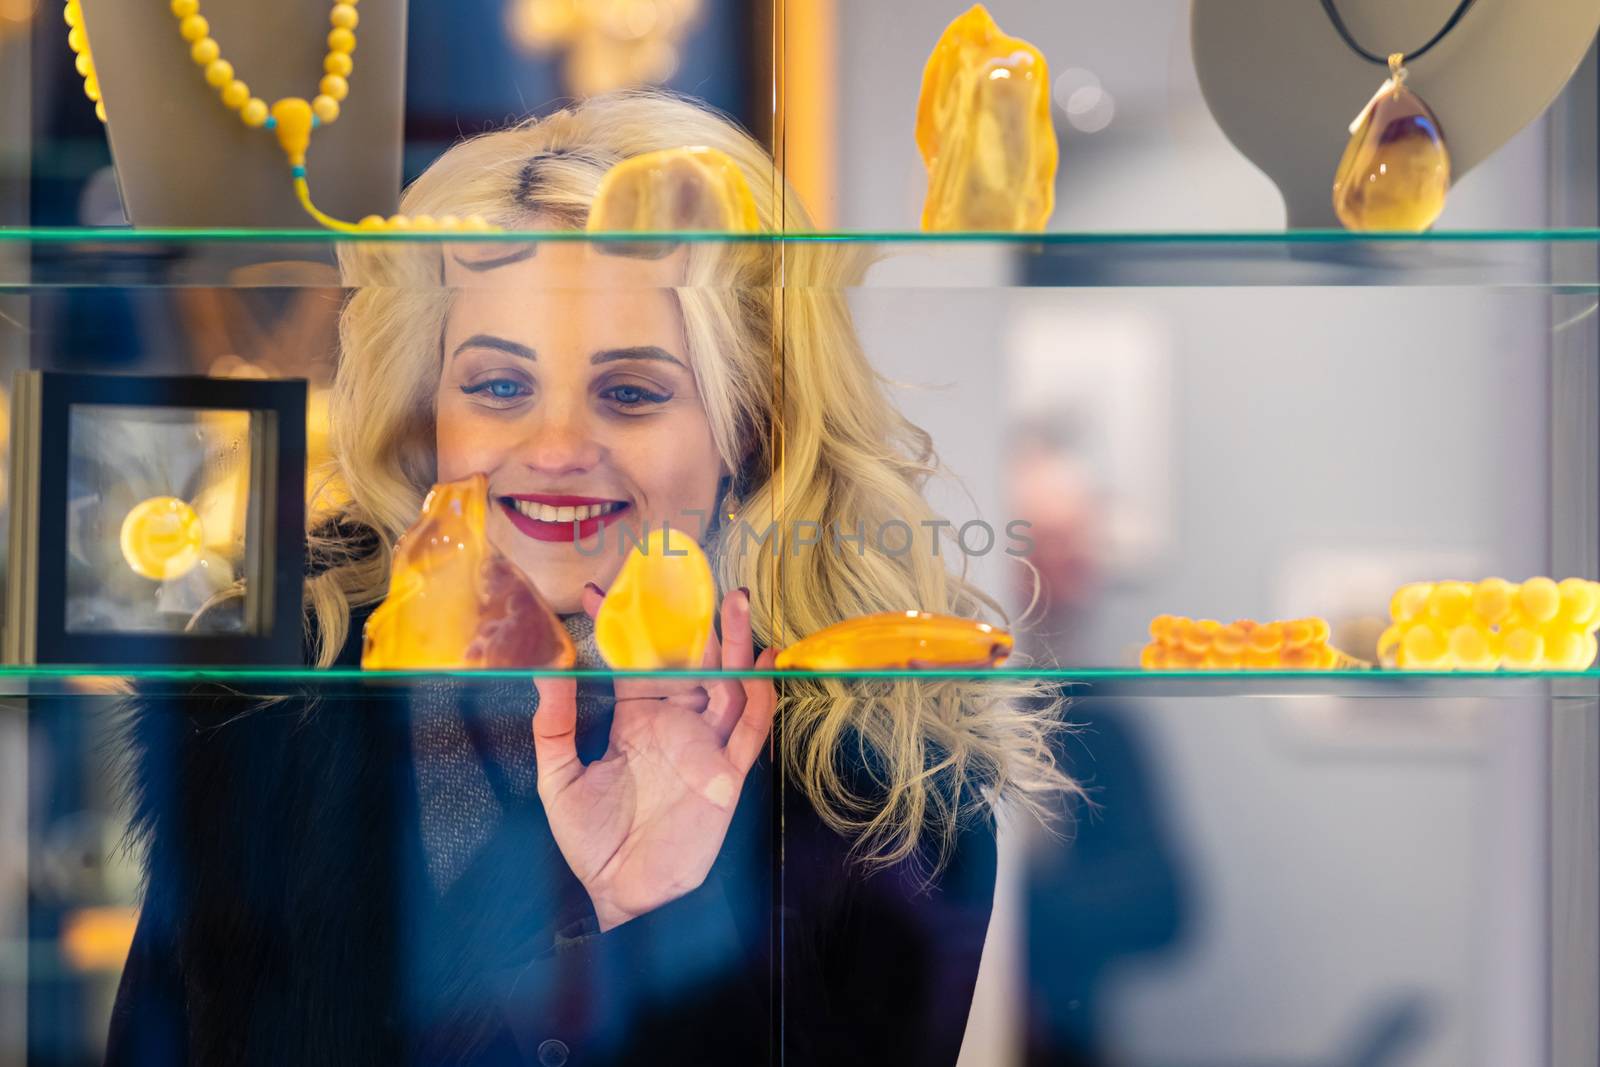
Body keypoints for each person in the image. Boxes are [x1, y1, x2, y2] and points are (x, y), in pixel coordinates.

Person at [105, 90, 1073, 1066]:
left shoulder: (886, 793)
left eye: (631, 391)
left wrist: (630, 920)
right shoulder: (266, 699)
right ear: (427, 407)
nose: (557, 446)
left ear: (753, 427)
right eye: (497, 385)